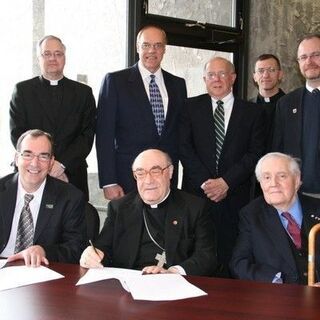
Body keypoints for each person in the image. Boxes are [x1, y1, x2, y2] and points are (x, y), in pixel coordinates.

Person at [179, 57, 266, 276]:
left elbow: (255, 153)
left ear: (233, 78)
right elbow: (183, 148)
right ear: (204, 79)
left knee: (231, 257)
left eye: (222, 74)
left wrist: (226, 182)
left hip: (235, 196)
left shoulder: (253, 112)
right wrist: (207, 183)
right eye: (211, 75)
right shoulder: (189, 107)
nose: (216, 79)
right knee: (196, 254)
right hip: (197, 195)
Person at [80, 149, 217, 276]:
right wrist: (92, 255)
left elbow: (206, 256)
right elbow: (102, 249)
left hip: (175, 287)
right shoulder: (119, 208)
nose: (148, 180)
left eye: (155, 171)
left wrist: (173, 272)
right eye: (140, 173)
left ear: (170, 172)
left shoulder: (195, 207)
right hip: (128, 286)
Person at [96, 25, 187, 201]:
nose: (152, 51)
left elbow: (180, 133)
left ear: (164, 49)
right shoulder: (115, 81)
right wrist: (109, 181)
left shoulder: (178, 85)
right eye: (146, 45)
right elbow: (104, 135)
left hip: (166, 178)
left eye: (158, 45)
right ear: (137, 48)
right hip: (128, 179)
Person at [9, 35, 96, 200]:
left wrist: (62, 164)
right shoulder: (22, 91)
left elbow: (87, 135)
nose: (53, 59)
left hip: (72, 174)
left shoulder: (83, 93)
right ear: (39, 58)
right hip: (32, 172)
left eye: (58, 54)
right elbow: (18, 134)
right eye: (47, 54)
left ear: (65, 57)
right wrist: (45, 163)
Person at [230, 152, 320, 284]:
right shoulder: (251, 215)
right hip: (280, 298)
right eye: (266, 177)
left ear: (296, 180)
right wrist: (276, 280)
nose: (274, 184)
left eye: (282, 176)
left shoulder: (317, 207)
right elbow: (239, 264)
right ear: (260, 184)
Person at [0, 129, 87, 267]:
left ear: (51, 162)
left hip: (42, 271)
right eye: (28, 155)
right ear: (17, 159)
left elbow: (76, 249)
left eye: (43, 156)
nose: (35, 163)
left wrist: (44, 251)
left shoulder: (70, 198)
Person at [272, 34, 320, 196]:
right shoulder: (286, 103)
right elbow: (277, 152)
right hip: (297, 196)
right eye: (303, 57)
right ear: (298, 63)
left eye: (316, 55)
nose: (309, 62)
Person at [250, 53, 285, 151]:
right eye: (261, 71)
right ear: (255, 77)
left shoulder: (291, 106)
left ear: (280, 74)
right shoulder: (246, 108)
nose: (266, 75)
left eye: (271, 70)